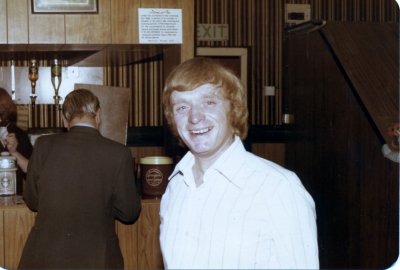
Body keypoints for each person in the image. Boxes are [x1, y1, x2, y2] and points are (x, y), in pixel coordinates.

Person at [159, 57, 319, 269]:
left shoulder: (278, 188)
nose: (195, 117)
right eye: (182, 107)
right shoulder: (175, 188)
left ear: (232, 109)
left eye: (209, 102)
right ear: (172, 118)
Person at [18, 89, 141, 269]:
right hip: (98, 260)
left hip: (45, 258)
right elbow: (129, 212)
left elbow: (32, 201)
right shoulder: (118, 153)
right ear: (98, 115)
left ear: (64, 119)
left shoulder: (43, 146)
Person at [0, 87, 32, 193]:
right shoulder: (21, 134)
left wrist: (14, 152)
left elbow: (32, 172)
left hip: (14, 199)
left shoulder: (20, 136)